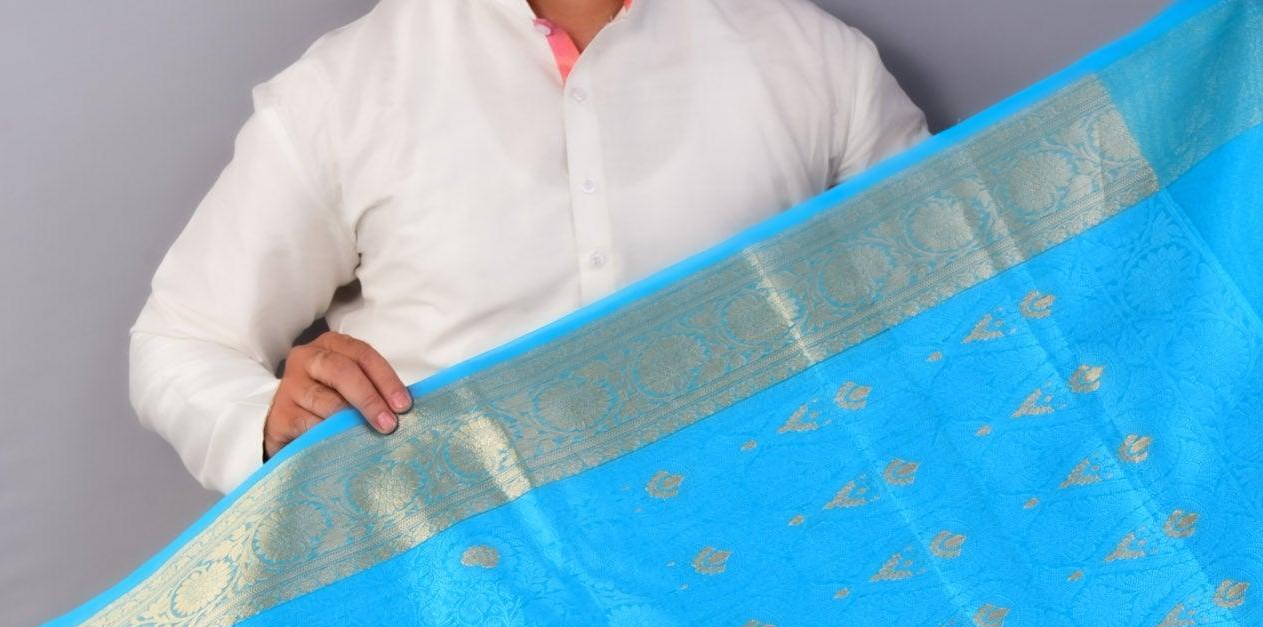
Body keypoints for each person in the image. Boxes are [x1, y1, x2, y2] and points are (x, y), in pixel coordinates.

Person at [129, 0, 930, 496]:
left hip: (766, 587)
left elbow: (951, 309)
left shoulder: (821, 65)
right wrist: (268, 425)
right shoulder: (343, 93)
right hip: (459, 617)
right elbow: (179, 340)